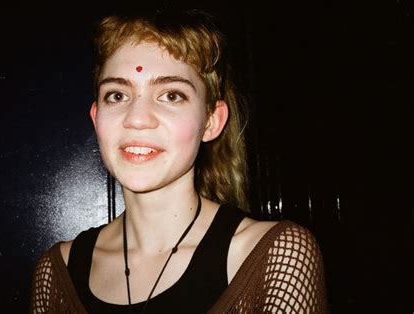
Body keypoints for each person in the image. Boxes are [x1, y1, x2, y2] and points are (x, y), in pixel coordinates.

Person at [29, 8, 328, 313]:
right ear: (96, 118)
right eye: (117, 95)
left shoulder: (274, 255)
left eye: (171, 95)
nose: (137, 119)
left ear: (211, 121)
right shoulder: (58, 270)